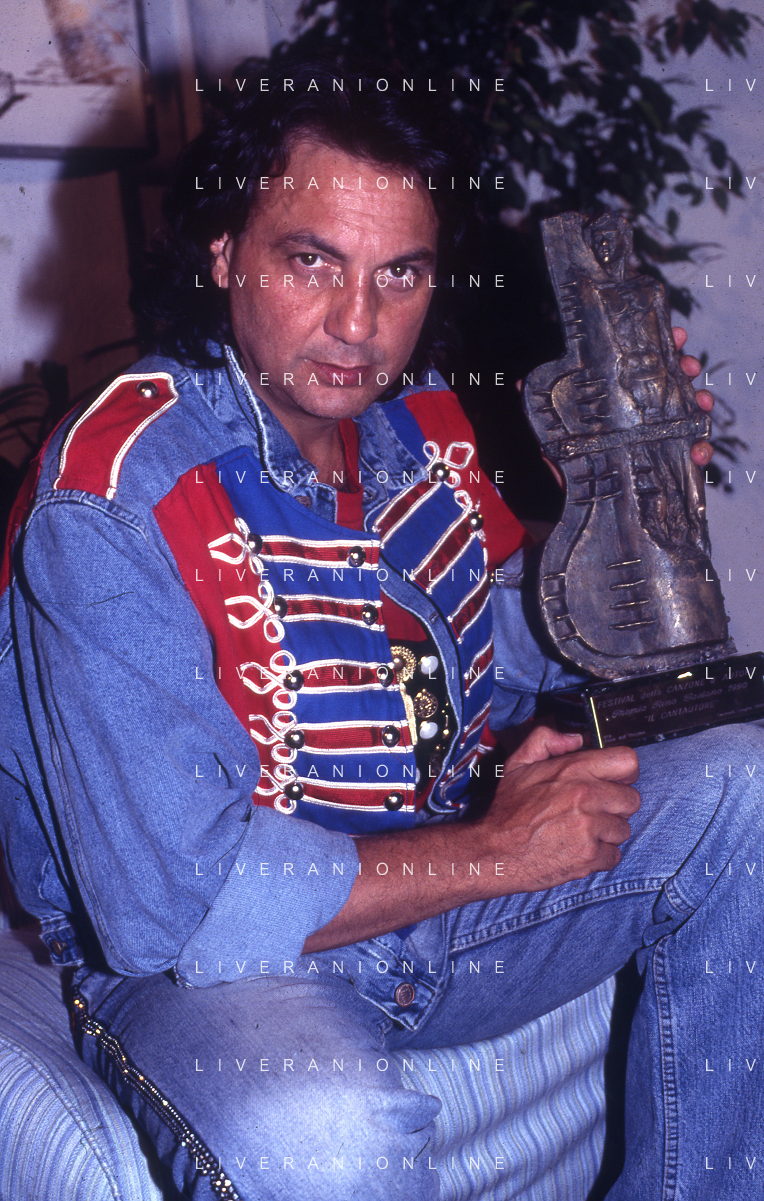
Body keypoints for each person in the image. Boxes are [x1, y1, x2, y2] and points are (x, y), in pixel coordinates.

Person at [1, 59, 760, 1201]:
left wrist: (616, 517)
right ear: (223, 252)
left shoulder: (420, 423)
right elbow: (166, 908)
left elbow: (506, 663)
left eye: (398, 272)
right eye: (310, 261)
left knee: (748, 790)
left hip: (438, 904)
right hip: (223, 970)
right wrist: (498, 851)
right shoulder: (108, 493)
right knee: (325, 1133)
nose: (357, 325)